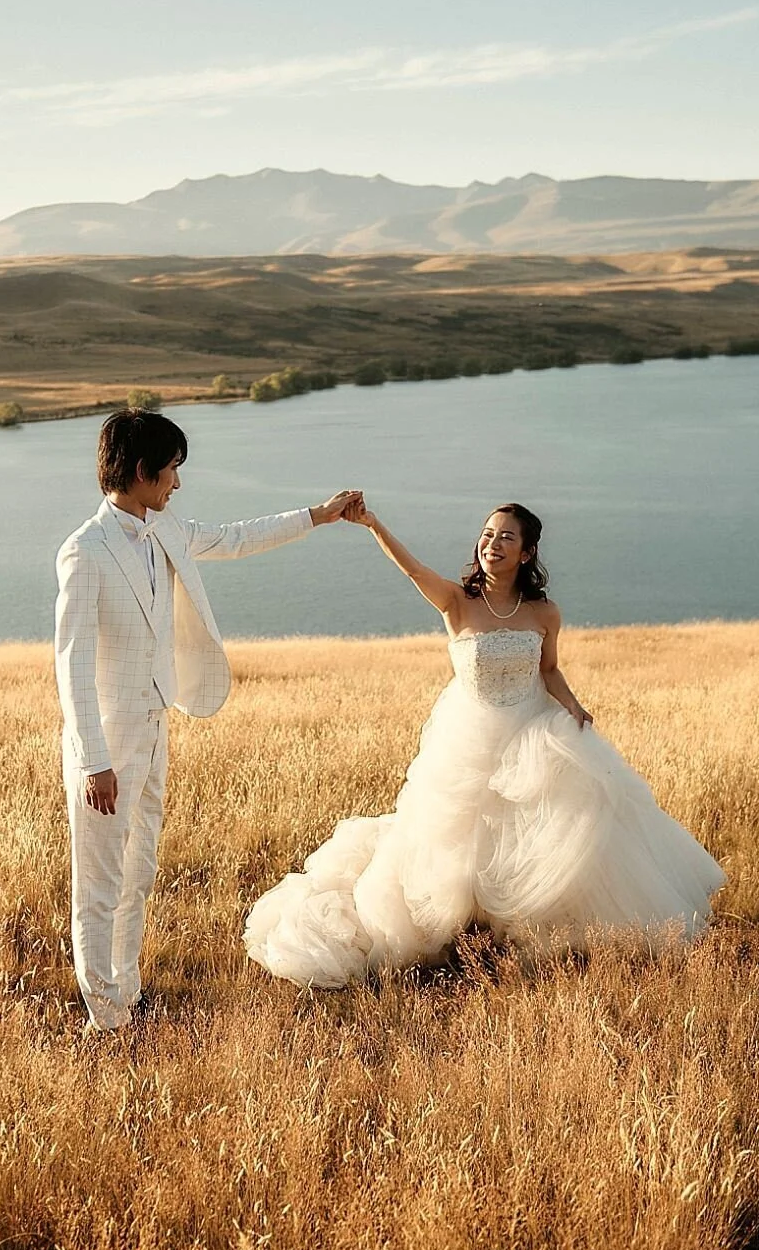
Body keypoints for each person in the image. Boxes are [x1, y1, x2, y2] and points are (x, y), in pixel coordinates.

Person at [244, 500, 725, 988]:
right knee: (460, 834)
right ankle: (462, 930)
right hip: (469, 735)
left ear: (526, 552)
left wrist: (574, 707)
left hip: (533, 728)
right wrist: (372, 524)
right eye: (488, 535)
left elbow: (549, 670)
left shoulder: (544, 613)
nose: (492, 545)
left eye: (505, 538)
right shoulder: (457, 602)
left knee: (561, 824)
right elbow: (411, 569)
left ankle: (520, 927)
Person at [54, 408, 359, 1031]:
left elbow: (235, 537)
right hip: (106, 751)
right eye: (171, 471)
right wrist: (95, 762)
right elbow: (72, 666)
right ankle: (104, 1018)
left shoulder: (163, 528)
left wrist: (318, 516)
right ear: (141, 472)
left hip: (155, 728)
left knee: (139, 874)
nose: (177, 484)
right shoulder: (84, 552)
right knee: (99, 886)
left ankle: (129, 995)